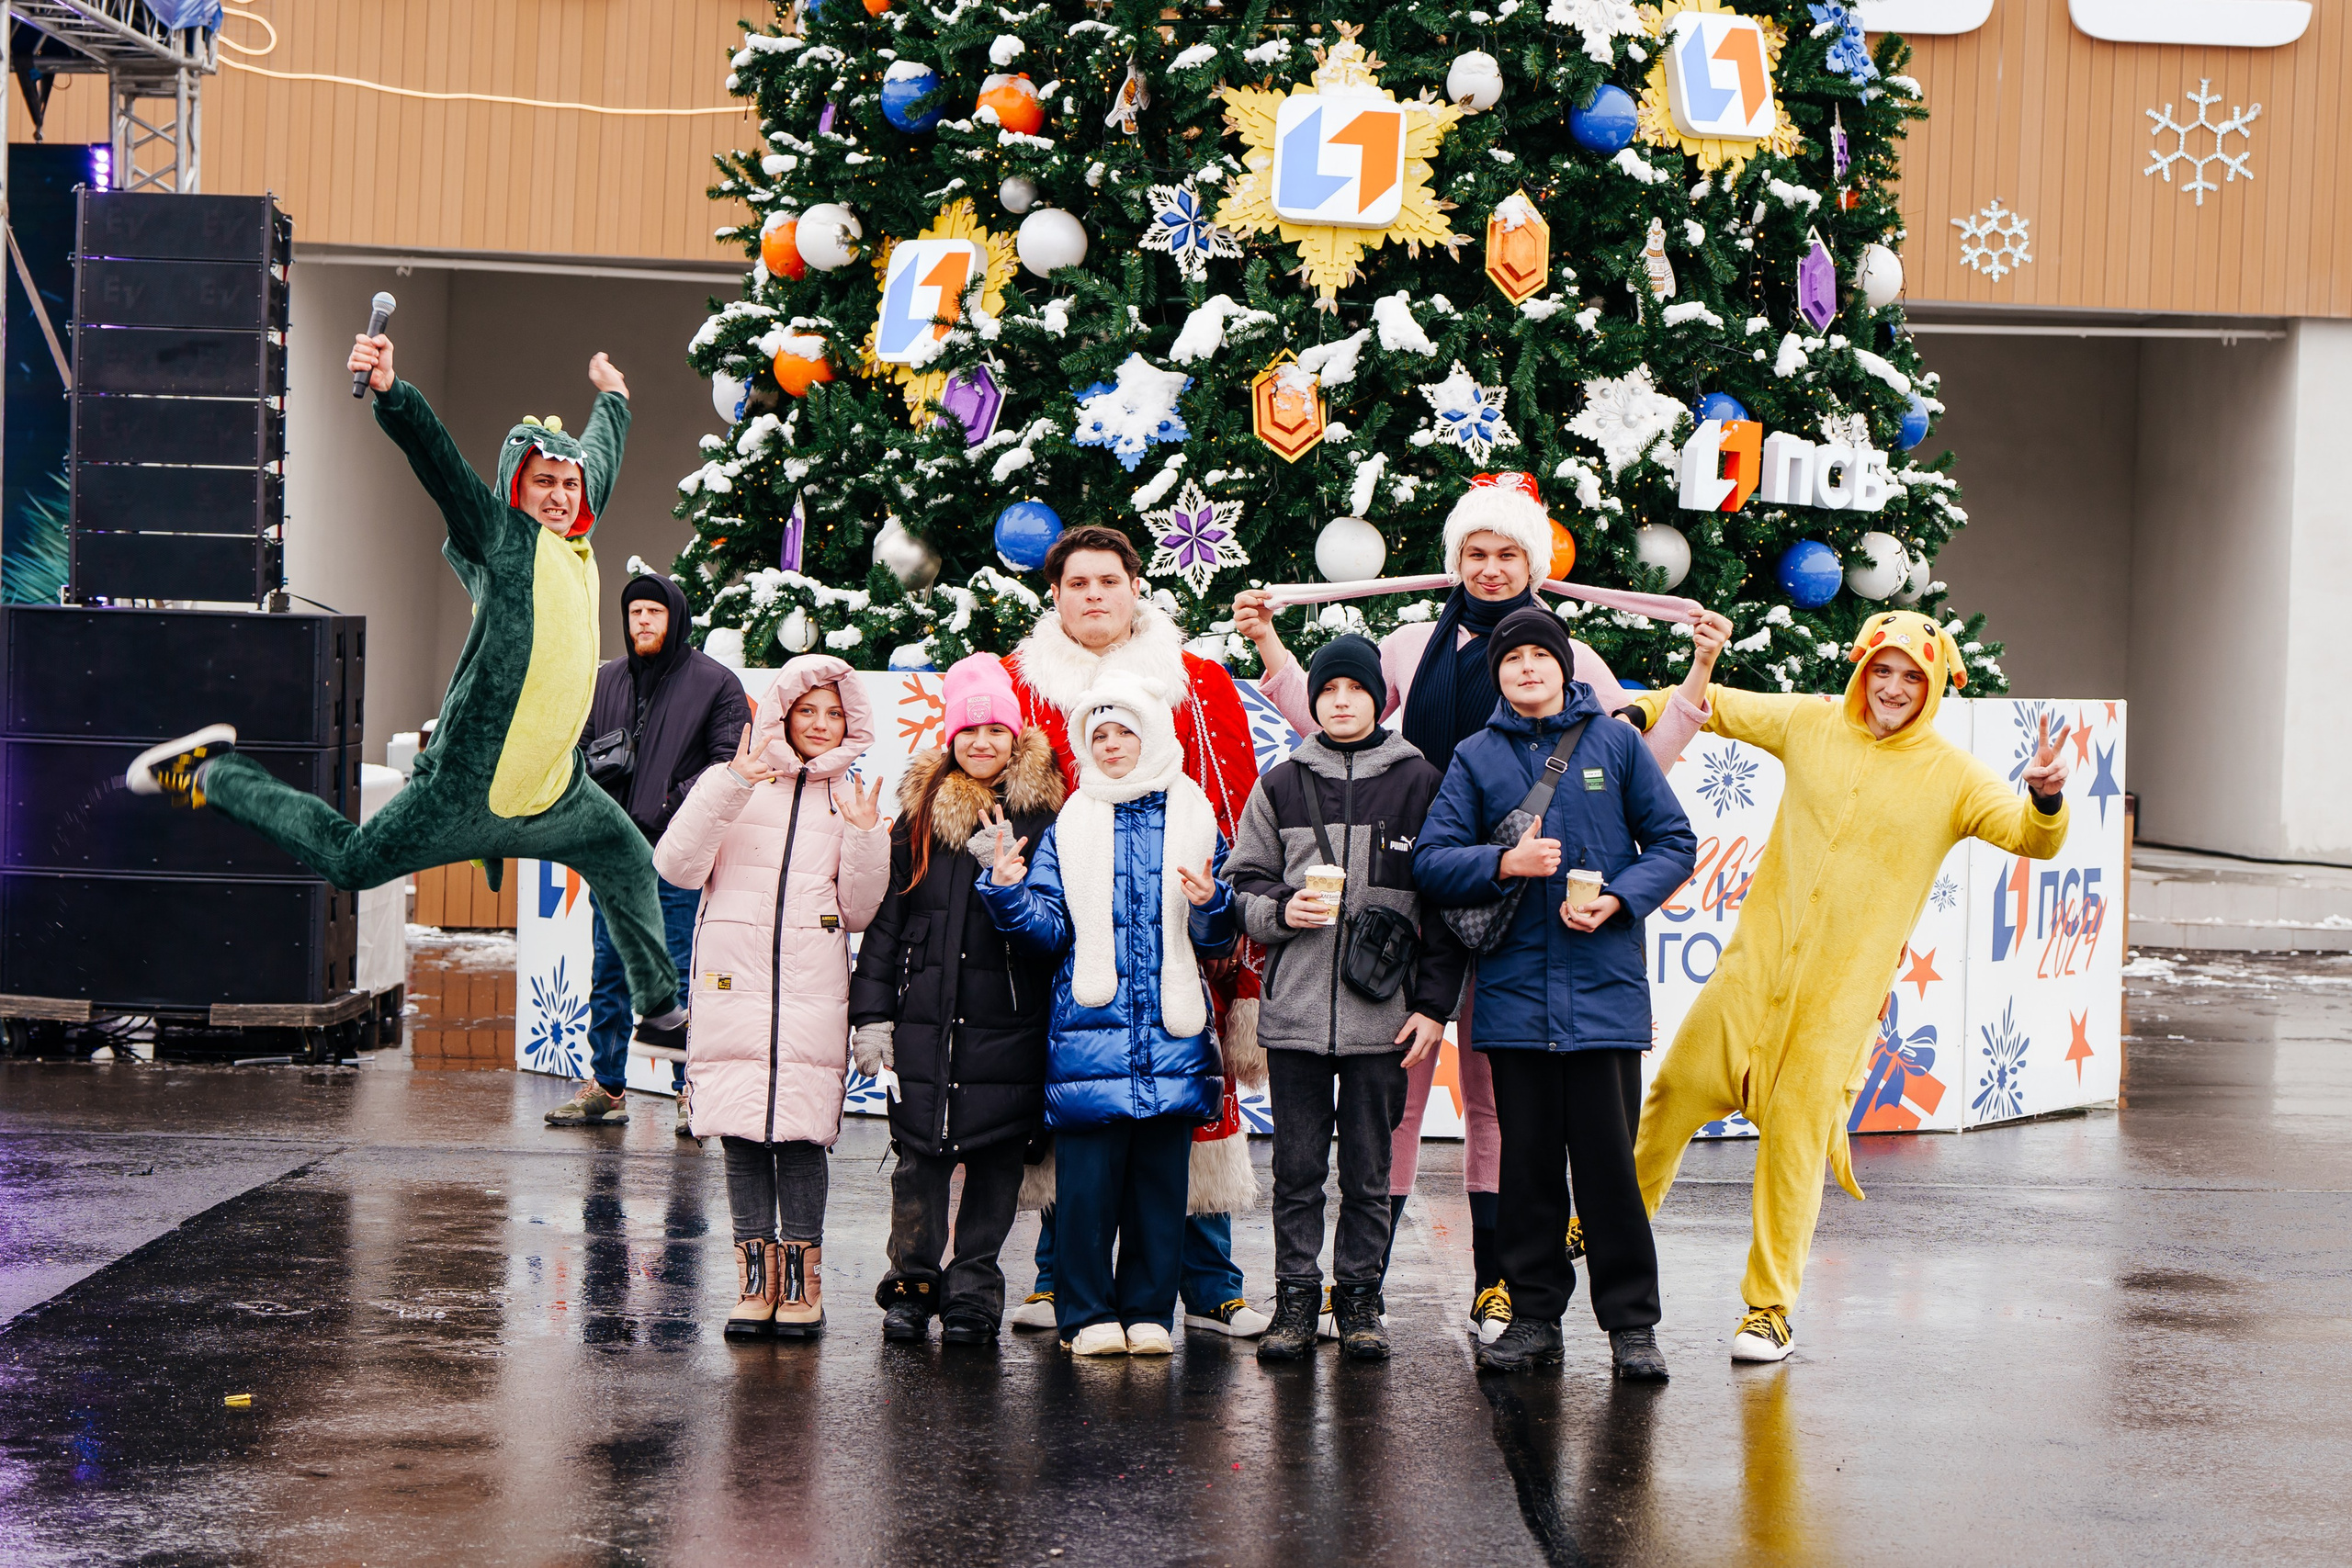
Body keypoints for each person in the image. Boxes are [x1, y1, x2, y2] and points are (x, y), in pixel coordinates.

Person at [1235, 473, 1728, 1343]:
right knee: (1400, 1088)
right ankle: (1363, 1292)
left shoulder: (1572, 660)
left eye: (1509, 554)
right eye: (1477, 553)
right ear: (1454, 559)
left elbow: (1634, 757)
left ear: (1535, 565)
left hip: (1510, 908)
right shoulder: (1408, 642)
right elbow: (1338, 719)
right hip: (1409, 888)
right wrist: (1274, 650)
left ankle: (1499, 1284)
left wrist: (1695, 682)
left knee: (1501, 1103)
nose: (1492, 568)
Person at [129, 333, 688, 1055]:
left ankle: (660, 1012)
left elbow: (601, 455)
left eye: (567, 485)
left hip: (553, 792)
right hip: (464, 789)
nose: (559, 495)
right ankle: (215, 771)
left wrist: (612, 395)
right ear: (517, 487)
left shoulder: (580, 531)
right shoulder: (502, 536)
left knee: (627, 861)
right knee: (353, 861)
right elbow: (442, 465)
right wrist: (393, 393)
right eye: (542, 482)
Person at [1626, 608, 2072, 1365]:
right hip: (1752, 974)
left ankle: (1768, 1310)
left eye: (1911, 675)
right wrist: (1637, 708)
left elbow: (2032, 838)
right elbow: (1716, 703)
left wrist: (2048, 796)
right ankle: (1613, 1221)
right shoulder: (1812, 722)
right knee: (1673, 1092)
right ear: (1861, 668)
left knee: (1795, 1145)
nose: (1892, 687)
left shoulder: (1952, 775)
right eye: (1882, 670)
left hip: (1838, 1002)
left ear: (1931, 687)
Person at [1414, 606, 1697, 1378]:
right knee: (1529, 1169)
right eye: (1513, 659)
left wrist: (1619, 898)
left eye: (1542, 655)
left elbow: (1675, 843)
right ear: (1497, 674)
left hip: (1603, 999)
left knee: (1610, 1170)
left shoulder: (1614, 743)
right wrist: (1505, 865)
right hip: (1511, 1002)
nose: (1528, 668)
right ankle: (1534, 1315)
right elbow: (1433, 861)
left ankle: (1632, 1325)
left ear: (1565, 666)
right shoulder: (1475, 756)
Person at [1001, 525, 1268, 1339]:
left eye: (1108, 581)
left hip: (1181, 935)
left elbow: (1242, 810)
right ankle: (1058, 1279)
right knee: (1078, 1113)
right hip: (1068, 947)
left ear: (1135, 587)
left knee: (1186, 1110)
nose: (1093, 595)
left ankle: (1210, 1281)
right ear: (1055, 595)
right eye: (1077, 583)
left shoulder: (1198, 682)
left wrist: (1227, 926)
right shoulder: (1023, 692)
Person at [977, 676, 1238, 1357]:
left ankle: (1150, 1311)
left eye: (1124, 731)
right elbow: (1048, 931)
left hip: (1173, 1039)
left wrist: (1214, 904)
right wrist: (1007, 892)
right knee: (1086, 1194)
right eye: (1100, 735)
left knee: (1160, 1191)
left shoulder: (1195, 812)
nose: (1113, 744)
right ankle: (1085, 1313)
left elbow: (1215, 942)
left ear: (1150, 734)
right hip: (1089, 1044)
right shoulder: (1073, 820)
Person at [1224, 635, 1466, 1363]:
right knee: (1296, 1170)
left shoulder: (1421, 782)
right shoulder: (1282, 783)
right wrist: (1280, 911)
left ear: (1377, 698)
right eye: (1328, 689)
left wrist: (1431, 1007)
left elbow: (1443, 907)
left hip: (1382, 1021)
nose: (1339, 700)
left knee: (1367, 1171)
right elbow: (1243, 882)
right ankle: (1295, 1299)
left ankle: (1360, 1298)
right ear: (1316, 700)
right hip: (1295, 1014)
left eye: (1354, 689)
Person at [652, 654, 888, 1340]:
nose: (819, 724)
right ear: (782, 712)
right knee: (743, 1134)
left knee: (801, 1134)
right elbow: (677, 864)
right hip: (735, 981)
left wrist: (867, 835)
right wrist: (730, 783)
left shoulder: (851, 793)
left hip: (811, 987)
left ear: (851, 722)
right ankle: (753, 1283)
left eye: (833, 713)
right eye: (806, 710)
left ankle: (802, 1283)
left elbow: (859, 909)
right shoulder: (734, 781)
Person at [848, 654, 1065, 1345]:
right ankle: (912, 1285)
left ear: (1015, 737)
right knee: (919, 1166)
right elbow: (887, 928)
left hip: (1009, 1031)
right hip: (925, 1031)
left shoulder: (1046, 818)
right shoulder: (917, 822)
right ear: (951, 739)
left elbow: (1054, 935)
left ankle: (974, 1289)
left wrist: (1007, 882)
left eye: (995, 731)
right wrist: (873, 1018)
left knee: (996, 1171)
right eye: (968, 732)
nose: (981, 743)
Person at [547, 570, 750, 1132]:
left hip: (679, 854)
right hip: (616, 855)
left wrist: (665, 803)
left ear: (676, 618)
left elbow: (731, 763)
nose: (642, 621)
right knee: (610, 970)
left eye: (653, 612)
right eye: (634, 612)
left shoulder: (715, 683)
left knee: (681, 974)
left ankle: (692, 1093)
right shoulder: (606, 679)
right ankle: (607, 1088)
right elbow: (575, 753)